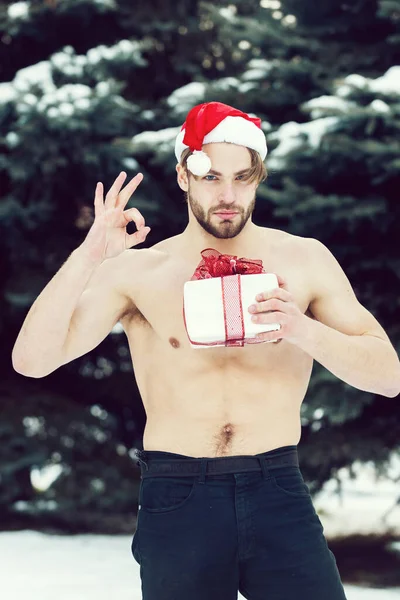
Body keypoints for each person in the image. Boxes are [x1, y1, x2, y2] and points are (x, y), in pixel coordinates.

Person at [12, 101, 400, 600]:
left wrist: (301, 329)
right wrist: (91, 255)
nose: (228, 195)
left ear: (259, 177)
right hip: (179, 493)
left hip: (277, 486)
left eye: (242, 178)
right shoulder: (139, 270)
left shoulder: (305, 260)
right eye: (212, 177)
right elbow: (33, 360)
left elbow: (389, 376)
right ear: (183, 177)